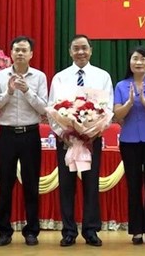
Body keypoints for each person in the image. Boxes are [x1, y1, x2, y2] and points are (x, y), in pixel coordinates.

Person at [48, 34, 114, 247]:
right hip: (66, 140)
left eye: (84, 48)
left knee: (91, 185)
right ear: (70, 52)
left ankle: (91, 230)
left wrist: (92, 132)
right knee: (66, 186)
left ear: (91, 50)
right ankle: (68, 231)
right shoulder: (60, 77)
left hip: (91, 139)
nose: (80, 52)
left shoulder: (102, 76)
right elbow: (52, 109)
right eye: (76, 48)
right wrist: (64, 134)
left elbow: (108, 108)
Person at [0, 36, 48, 247]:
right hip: (7, 135)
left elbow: (44, 108)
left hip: (30, 134)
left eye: (24, 50)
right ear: (11, 53)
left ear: (31, 54)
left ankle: (31, 231)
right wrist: (9, 92)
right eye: (16, 50)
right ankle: (4, 231)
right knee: (5, 184)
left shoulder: (39, 77)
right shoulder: (0, 76)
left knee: (31, 184)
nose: (20, 53)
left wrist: (27, 91)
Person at [113, 46, 145, 245]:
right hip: (128, 142)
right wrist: (129, 103)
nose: (139, 62)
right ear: (129, 63)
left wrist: (144, 101)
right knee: (133, 185)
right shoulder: (121, 85)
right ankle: (136, 230)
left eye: (143, 59)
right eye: (135, 58)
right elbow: (117, 114)